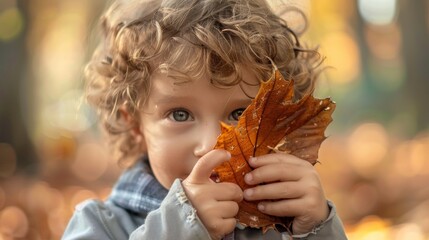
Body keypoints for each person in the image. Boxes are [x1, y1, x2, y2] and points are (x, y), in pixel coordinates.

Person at [62, 0, 347, 239]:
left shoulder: (282, 223)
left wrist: (317, 228)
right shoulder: (100, 226)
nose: (213, 144)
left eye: (239, 115)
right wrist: (180, 227)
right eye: (180, 114)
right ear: (135, 125)